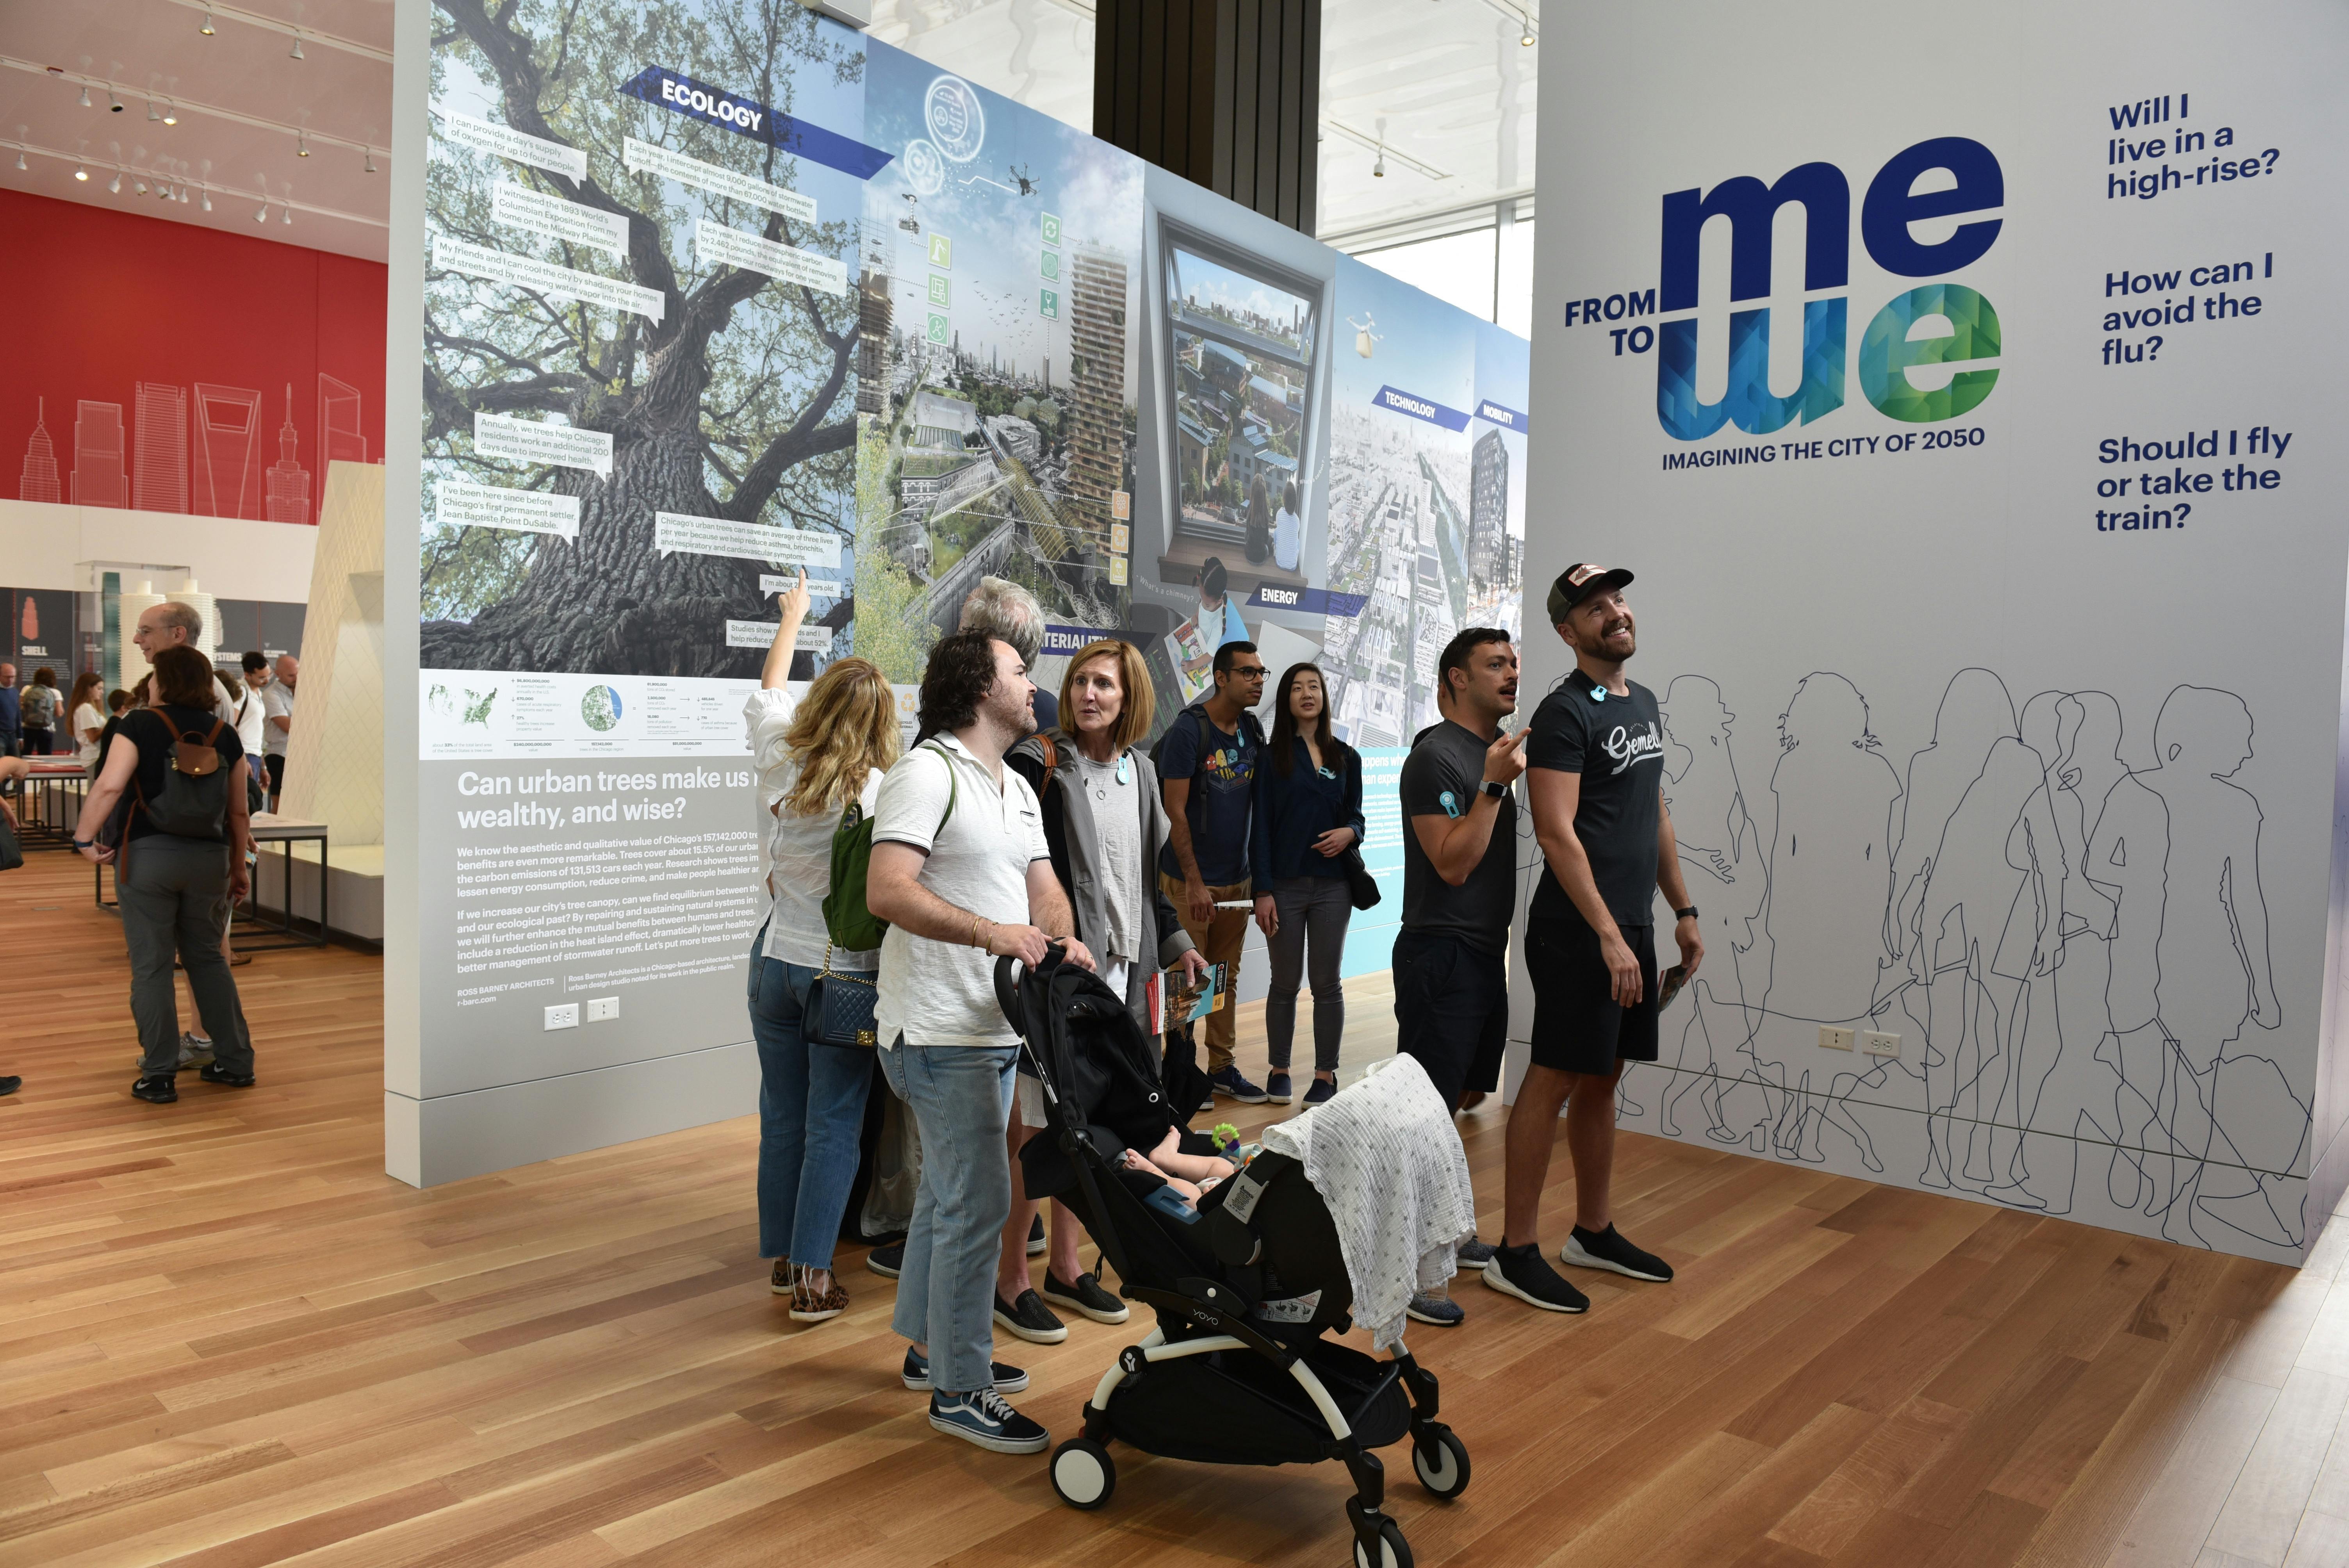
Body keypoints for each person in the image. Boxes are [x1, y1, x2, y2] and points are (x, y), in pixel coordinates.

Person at [865, 628, 1096, 1456]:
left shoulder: (1016, 784)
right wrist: (991, 935)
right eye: (1017, 670)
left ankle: (933, 1353)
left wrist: (1058, 938)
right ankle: (961, 1390)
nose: (1033, 682)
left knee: (949, 1198)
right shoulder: (925, 772)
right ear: (976, 687)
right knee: (980, 1204)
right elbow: (886, 889)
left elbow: (1044, 891)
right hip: (935, 1029)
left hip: (992, 1027)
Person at [1484, 564, 1702, 1316]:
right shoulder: (1563, 714)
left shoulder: (1639, 702)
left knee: (1604, 1076)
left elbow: (1656, 814)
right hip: (1577, 930)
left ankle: (1593, 1231)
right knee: (1553, 1077)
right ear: (1567, 631)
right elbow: (1555, 831)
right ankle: (1514, 1252)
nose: (1613, 613)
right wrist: (1609, 933)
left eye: (1616, 600)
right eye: (1593, 608)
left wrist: (1682, 910)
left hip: (1632, 924)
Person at [1003, 638, 1207, 1340]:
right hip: (1065, 981)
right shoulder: (1042, 763)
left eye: (1106, 686)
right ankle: (1012, 1277)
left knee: (1096, 1131)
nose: (1090, 694)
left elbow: (1148, 886)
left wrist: (1177, 946)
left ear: (1131, 699)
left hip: (1131, 977)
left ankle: (1067, 1265)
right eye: (1082, 681)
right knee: (1035, 1129)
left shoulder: (1143, 772)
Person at [744, 569, 900, 1326]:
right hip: (843, 978)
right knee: (834, 1122)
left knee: (782, 1113)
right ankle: (813, 1279)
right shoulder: (882, 791)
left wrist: (795, 617)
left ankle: (782, 1260)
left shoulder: (783, 753)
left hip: (774, 961)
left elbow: (771, 687)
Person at [1392, 629, 1523, 1326]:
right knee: (1425, 1112)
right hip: (1439, 952)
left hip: (1480, 951)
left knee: (1463, 1098)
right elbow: (1452, 862)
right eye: (1495, 665)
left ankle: (1446, 1230)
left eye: (1513, 664)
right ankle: (1411, 1273)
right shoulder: (1436, 757)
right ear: (1455, 678)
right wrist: (1496, 787)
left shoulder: (1486, 754)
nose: (1511, 674)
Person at [75, 644, 258, 1105]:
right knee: (209, 960)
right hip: (210, 862)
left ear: (163, 680)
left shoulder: (138, 723)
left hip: (148, 857)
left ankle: (158, 1074)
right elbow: (239, 813)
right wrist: (238, 868)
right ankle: (236, 1063)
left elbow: (111, 784)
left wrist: (83, 837)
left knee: (153, 967)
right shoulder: (226, 734)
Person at [1158, 640, 1270, 1105]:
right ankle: (1179, 1071)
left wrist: (1258, 883)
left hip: (1237, 881)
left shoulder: (1251, 728)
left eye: (1261, 673)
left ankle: (1221, 1068)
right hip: (1189, 883)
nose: (1259, 680)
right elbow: (1175, 811)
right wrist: (1196, 882)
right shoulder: (1190, 730)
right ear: (1220, 677)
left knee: (1224, 975)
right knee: (1188, 978)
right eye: (1248, 673)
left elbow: (1260, 810)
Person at [1249, 663, 1365, 1107]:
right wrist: (1263, 890)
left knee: (1326, 982)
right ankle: (1279, 1069)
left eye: (1314, 686)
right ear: (1287, 700)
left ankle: (1325, 1074)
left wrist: (1349, 832)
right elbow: (1259, 828)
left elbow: (1356, 815)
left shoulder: (1346, 756)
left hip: (1334, 887)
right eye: (1296, 687)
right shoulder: (1271, 756)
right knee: (1284, 981)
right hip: (1284, 886)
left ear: (1324, 696)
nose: (1306, 693)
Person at [959, 576, 1057, 732]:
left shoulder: (963, 708)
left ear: (987, 647)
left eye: (963, 629)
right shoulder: (1053, 710)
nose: (959, 642)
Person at [129, 603, 241, 725]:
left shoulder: (193, 690)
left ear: (178, 634)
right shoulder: (200, 686)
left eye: (145, 631)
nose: (136, 639)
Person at [262, 655, 297, 809]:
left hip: (300, 756)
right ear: (278, 674)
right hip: (279, 755)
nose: (296, 678)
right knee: (280, 807)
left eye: (298, 674)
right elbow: (286, 726)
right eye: (291, 675)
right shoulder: (271, 695)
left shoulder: (304, 692)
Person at [1194, 557, 1249, 650]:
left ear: (1219, 600)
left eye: (1207, 605)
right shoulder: (1209, 592)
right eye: (1201, 597)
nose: (1202, 605)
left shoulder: (1219, 623)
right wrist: (1196, 615)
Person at [232, 653, 269, 764]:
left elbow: (256, 733)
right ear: (247, 675)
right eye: (262, 678)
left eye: (269, 676)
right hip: (244, 753)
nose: (267, 681)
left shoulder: (259, 693)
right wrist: (241, 755)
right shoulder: (241, 691)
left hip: (256, 754)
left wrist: (263, 766)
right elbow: (232, 724)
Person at [18, 667, 61, 755]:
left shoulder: (27, 689)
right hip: (46, 729)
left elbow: (20, 708)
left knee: (25, 755)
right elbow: (59, 713)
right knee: (46, 758)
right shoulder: (54, 692)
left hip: (27, 727)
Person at [67, 672, 106, 766]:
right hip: (94, 757)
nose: (102, 692)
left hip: (96, 756)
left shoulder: (91, 708)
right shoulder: (86, 708)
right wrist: (111, 725)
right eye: (99, 689)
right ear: (89, 689)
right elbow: (93, 737)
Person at [1273, 479, 1303, 573]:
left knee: (1277, 532)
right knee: (1297, 540)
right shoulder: (1297, 520)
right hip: (1292, 567)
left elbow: (1279, 533)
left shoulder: (1280, 514)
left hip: (1279, 563)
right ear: (1296, 502)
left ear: (1284, 500)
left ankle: (1278, 552)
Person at [0, 662, 19, 761]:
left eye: (13, 677)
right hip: (1, 735)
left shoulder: (14, 692)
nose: (11, 680)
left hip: (12, 735)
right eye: (7, 677)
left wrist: (21, 736)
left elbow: (17, 715)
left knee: (16, 764)